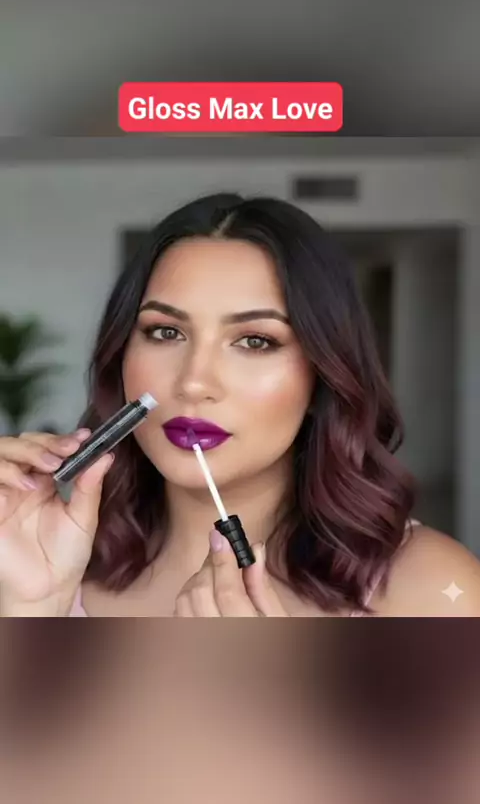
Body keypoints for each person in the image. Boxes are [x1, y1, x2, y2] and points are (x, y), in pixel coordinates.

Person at [0, 193, 479, 617]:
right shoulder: (33, 565)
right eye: (166, 332)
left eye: (255, 341)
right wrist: (31, 611)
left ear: (323, 376)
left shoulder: (435, 591)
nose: (193, 382)